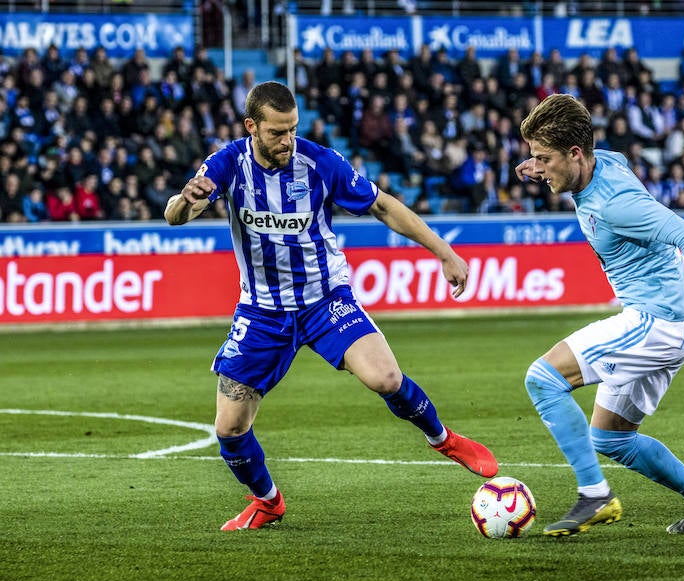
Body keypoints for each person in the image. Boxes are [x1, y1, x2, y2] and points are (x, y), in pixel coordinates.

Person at [164, 82, 498, 532]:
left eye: (293, 129)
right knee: (229, 430)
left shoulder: (320, 162)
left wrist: (443, 251)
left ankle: (444, 439)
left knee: (386, 377)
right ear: (252, 128)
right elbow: (174, 216)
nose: (287, 140)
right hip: (262, 311)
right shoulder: (227, 163)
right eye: (278, 132)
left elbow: (383, 206)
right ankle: (267, 501)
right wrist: (188, 200)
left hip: (326, 299)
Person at [515, 94, 684, 537]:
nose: (537, 166)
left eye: (543, 158)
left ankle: (595, 495)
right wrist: (540, 167)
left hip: (654, 322)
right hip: (669, 325)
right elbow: (597, 158)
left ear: (574, 154)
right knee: (611, 439)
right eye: (533, 157)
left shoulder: (616, 205)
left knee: (542, 378)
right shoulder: (601, 160)